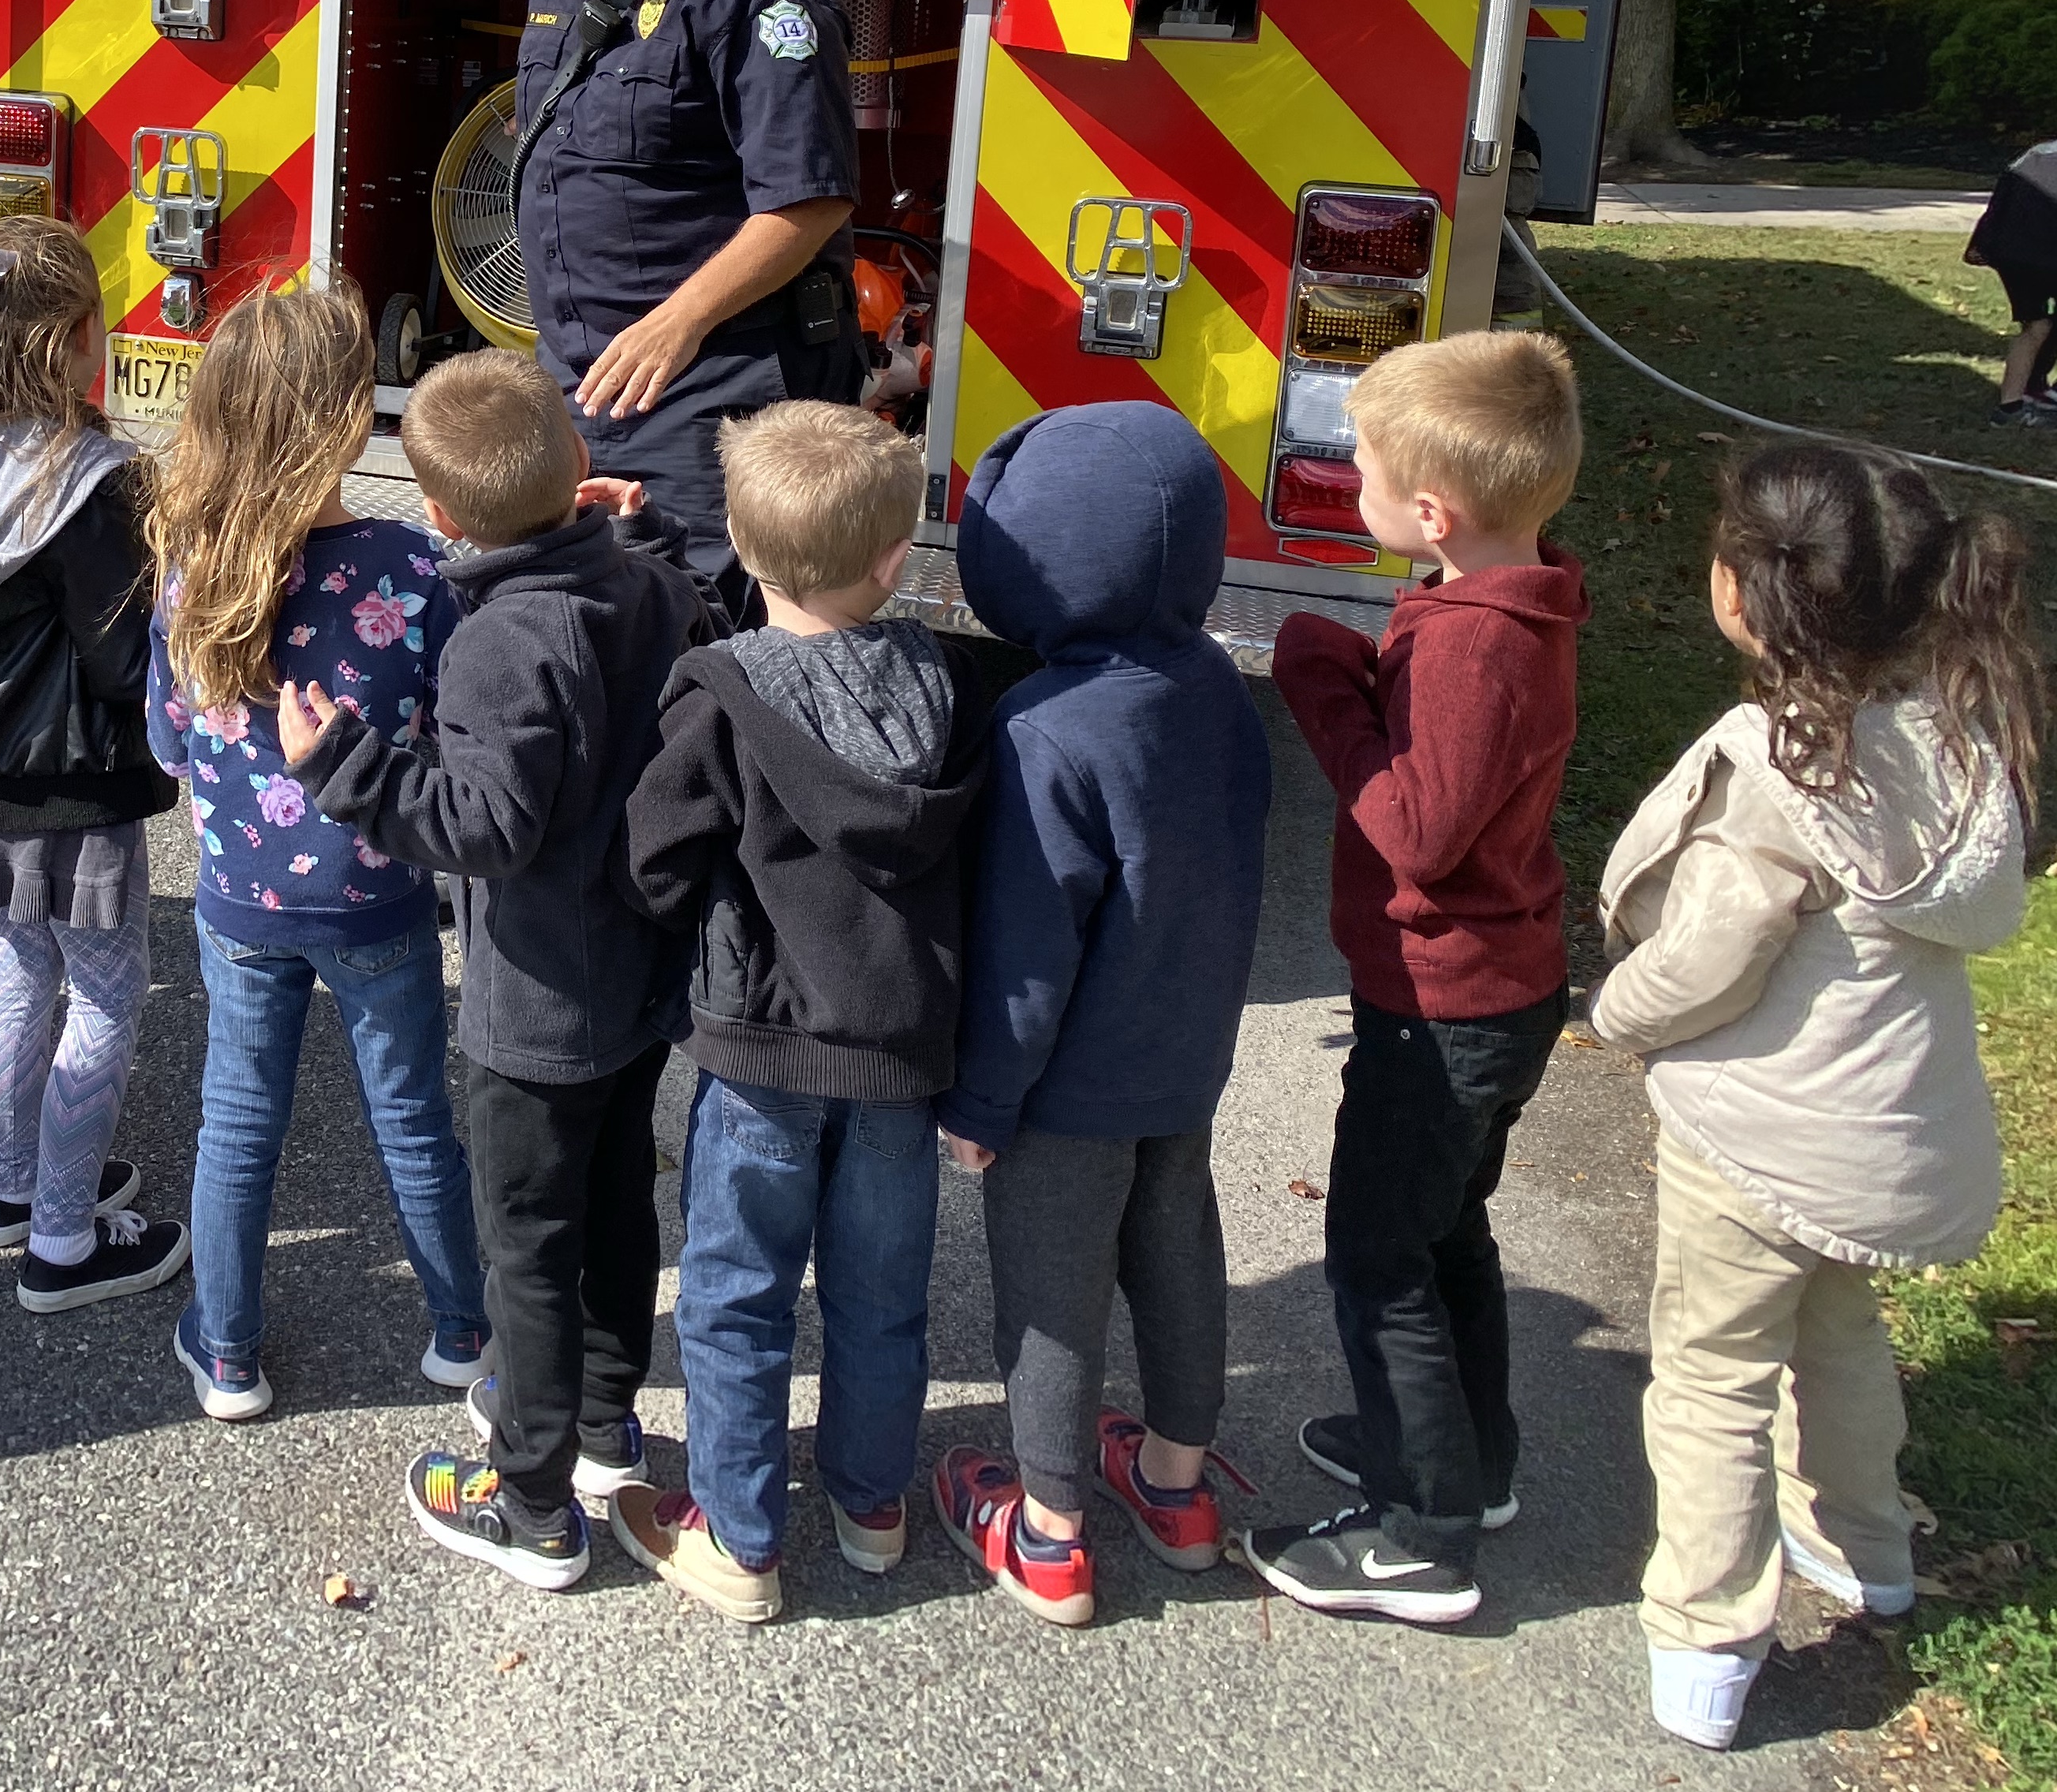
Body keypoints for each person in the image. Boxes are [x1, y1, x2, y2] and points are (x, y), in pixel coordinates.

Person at [1590, 445, 2034, 1752]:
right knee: (1837, 1333)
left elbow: (1707, 958)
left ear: (1741, 591)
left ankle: (1704, 1639)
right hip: (1892, 1132)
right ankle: (1864, 1548)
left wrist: (1612, 1012)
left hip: (1757, 1141)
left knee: (1712, 1373)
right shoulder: (1956, 742)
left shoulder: (1779, 769)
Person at [278, 348, 712, 1593]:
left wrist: (342, 766)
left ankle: (528, 1502)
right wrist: (645, 531)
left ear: (441, 514)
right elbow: (697, 619)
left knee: (524, 1244)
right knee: (617, 1201)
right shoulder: (645, 586)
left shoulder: (497, 643)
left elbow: (484, 826)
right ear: (578, 462)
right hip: (635, 975)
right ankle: (601, 1422)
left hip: (534, 1007)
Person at [615, 401, 984, 1625]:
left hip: (760, 1052)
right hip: (898, 1059)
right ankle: (872, 1508)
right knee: (879, 1297)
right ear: (895, 558)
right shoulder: (946, 683)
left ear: (737, 539)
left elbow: (656, 859)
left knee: (736, 1294)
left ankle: (738, 1537)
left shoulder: (719, 693)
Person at [1250, 330, 1589, 1626]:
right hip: (1498, 990)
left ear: (1432, 511)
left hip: (1439, 1011)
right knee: (1446, 1230)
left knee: (1376, 1257)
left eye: (1364, 471)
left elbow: (1414, 828)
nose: (1352, 485)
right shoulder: (1511, 599)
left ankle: (1416, 1531)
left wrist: (1321, 684)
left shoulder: (1465, 642)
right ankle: (1465, 1459)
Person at [928, 401, 1271, 1627]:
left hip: (1066, 1092)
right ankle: (1175, 1487)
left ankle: (1048, 1529)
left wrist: (981, 1103)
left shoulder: (1040, 731)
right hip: (1184, 1060)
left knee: (1051, 1297)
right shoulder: (1220, 692)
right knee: (1177, 1256)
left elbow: (1026, 957)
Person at [148, 280, 483, 1426]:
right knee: (414, 1117)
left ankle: (227, 1351)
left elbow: (167, 741)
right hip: (379, 894)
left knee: (238, 1124)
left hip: (239, 902)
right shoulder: (410, 566)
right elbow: (450, 732)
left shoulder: (190, 567)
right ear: (349, 423)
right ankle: (461, 1330)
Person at [0, 217, 184, 1311]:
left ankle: (10, 1185)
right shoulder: (91, 482)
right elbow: (121, 659)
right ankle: (63, 1238)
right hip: (73, 779)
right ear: (71, 336)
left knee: (18, 973)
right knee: (106, 996)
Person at [506, 0, 863, 618]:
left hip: (708, 391)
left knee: (696, 626)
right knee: (587, 621)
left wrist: (677, 322)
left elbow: (809, 200)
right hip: (581, 377)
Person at [1961, 137, 2057, 426]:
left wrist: (1981, 244)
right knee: (2039, 325)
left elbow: (2000, 204)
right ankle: (2020, 401)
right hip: (2040, 253)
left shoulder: (2039, 153)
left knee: (2038, 324)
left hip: (2008, 251)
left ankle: (2020, 398)